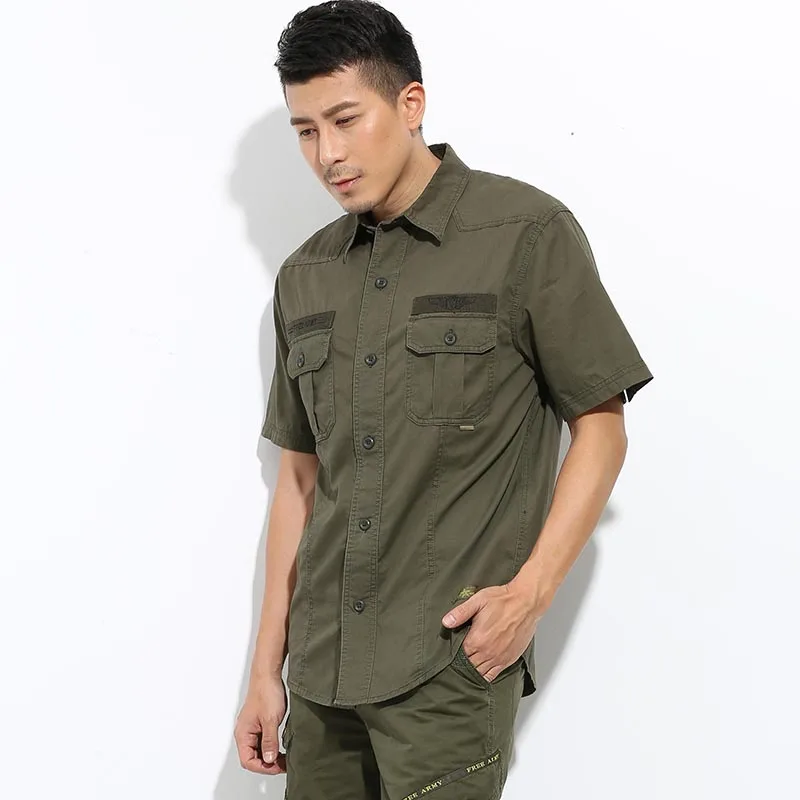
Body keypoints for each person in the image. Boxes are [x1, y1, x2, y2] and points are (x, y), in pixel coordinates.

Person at [234, 1, 654, 797]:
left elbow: (601, 427)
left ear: (411, 104)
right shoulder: (305, 278)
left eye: (345, 120)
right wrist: (265, 671)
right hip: (320, 676)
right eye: (305, 131)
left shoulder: (525, 233)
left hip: (445, 669)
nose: (328, 154)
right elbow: (298, 482)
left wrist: (530, 595)